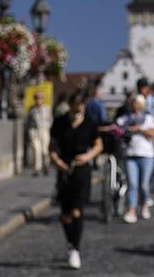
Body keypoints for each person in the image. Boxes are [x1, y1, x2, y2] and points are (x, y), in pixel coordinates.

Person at [49, 93, 103, 270]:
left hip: (81, 170)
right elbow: (52, 147)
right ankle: (70, 244)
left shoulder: (89, 123)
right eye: (77, 108)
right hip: (64, 169)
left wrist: (88, 156)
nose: (79, 111)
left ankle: (76, 249)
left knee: (77, 210)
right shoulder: (60, 123)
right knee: (65, 214)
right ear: (70, 106)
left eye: (82, 108)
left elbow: (98, 145)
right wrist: (57, 161)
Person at [115, 94, 154, 223]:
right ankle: (131, 210)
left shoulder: (148, 118)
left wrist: (139, 129)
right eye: (132, 103)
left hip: (146, 155)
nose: (134, 105)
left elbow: (152, 134)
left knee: (143, 185)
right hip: (130, 154)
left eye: (136, 103)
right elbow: (116, 127)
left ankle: (144, 205)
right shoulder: (125, 118)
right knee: (132, 184)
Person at [26, 92, 52, 176]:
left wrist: (47, 127)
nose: (38, 101)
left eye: (40, 99)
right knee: (36, 149)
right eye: (37, 99)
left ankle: (46, 165)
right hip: (34, 130)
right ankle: (37, 168)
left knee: (44, 149)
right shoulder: (32, 109)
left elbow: (50, 119)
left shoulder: (47, 109)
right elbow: (28, 120)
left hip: (44, 130)